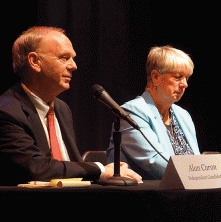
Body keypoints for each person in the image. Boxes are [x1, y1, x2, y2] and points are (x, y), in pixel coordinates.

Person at [0, 26, 141, 185]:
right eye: (64, 57)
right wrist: (100, 170)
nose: (73, 65)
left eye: (72, 58)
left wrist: (107, 172)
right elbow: (36, 168)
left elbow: (71, 164)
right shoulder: (7, 111)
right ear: (35, 62)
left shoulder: (61, 108)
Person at [107, 46, 221, 179]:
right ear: (155, 77)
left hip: (184, 194)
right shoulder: (130, 113)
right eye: (177, 77)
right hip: (147, 199)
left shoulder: (182, 115)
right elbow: (156, 163)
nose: (185, 84)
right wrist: (216, 173)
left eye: (187, 78)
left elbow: (195, 160)